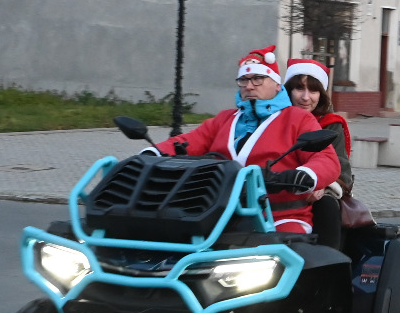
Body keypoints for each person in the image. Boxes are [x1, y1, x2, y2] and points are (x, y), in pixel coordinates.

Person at [145, 46, 341, 234]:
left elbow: (326, 158)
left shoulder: (297, 119)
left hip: (279, 217)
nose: (249, 86)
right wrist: (152, 153)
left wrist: (304, 175)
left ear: (276, 84)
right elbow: (188, 141)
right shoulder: (225, 119)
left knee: (285, 250)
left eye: (257, 79)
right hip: (218, 214)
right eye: (243, 80)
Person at [282, 58, 354, 249]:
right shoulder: (276, 118)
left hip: (316, 190)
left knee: (326, 206)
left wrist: (323, 184)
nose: (306, 97)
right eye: (299, 88)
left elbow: (341, 169)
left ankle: (329, 262)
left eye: (313, 91)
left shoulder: (331, 123)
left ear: (321, 95)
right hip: (278, 186)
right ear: (288, 90)